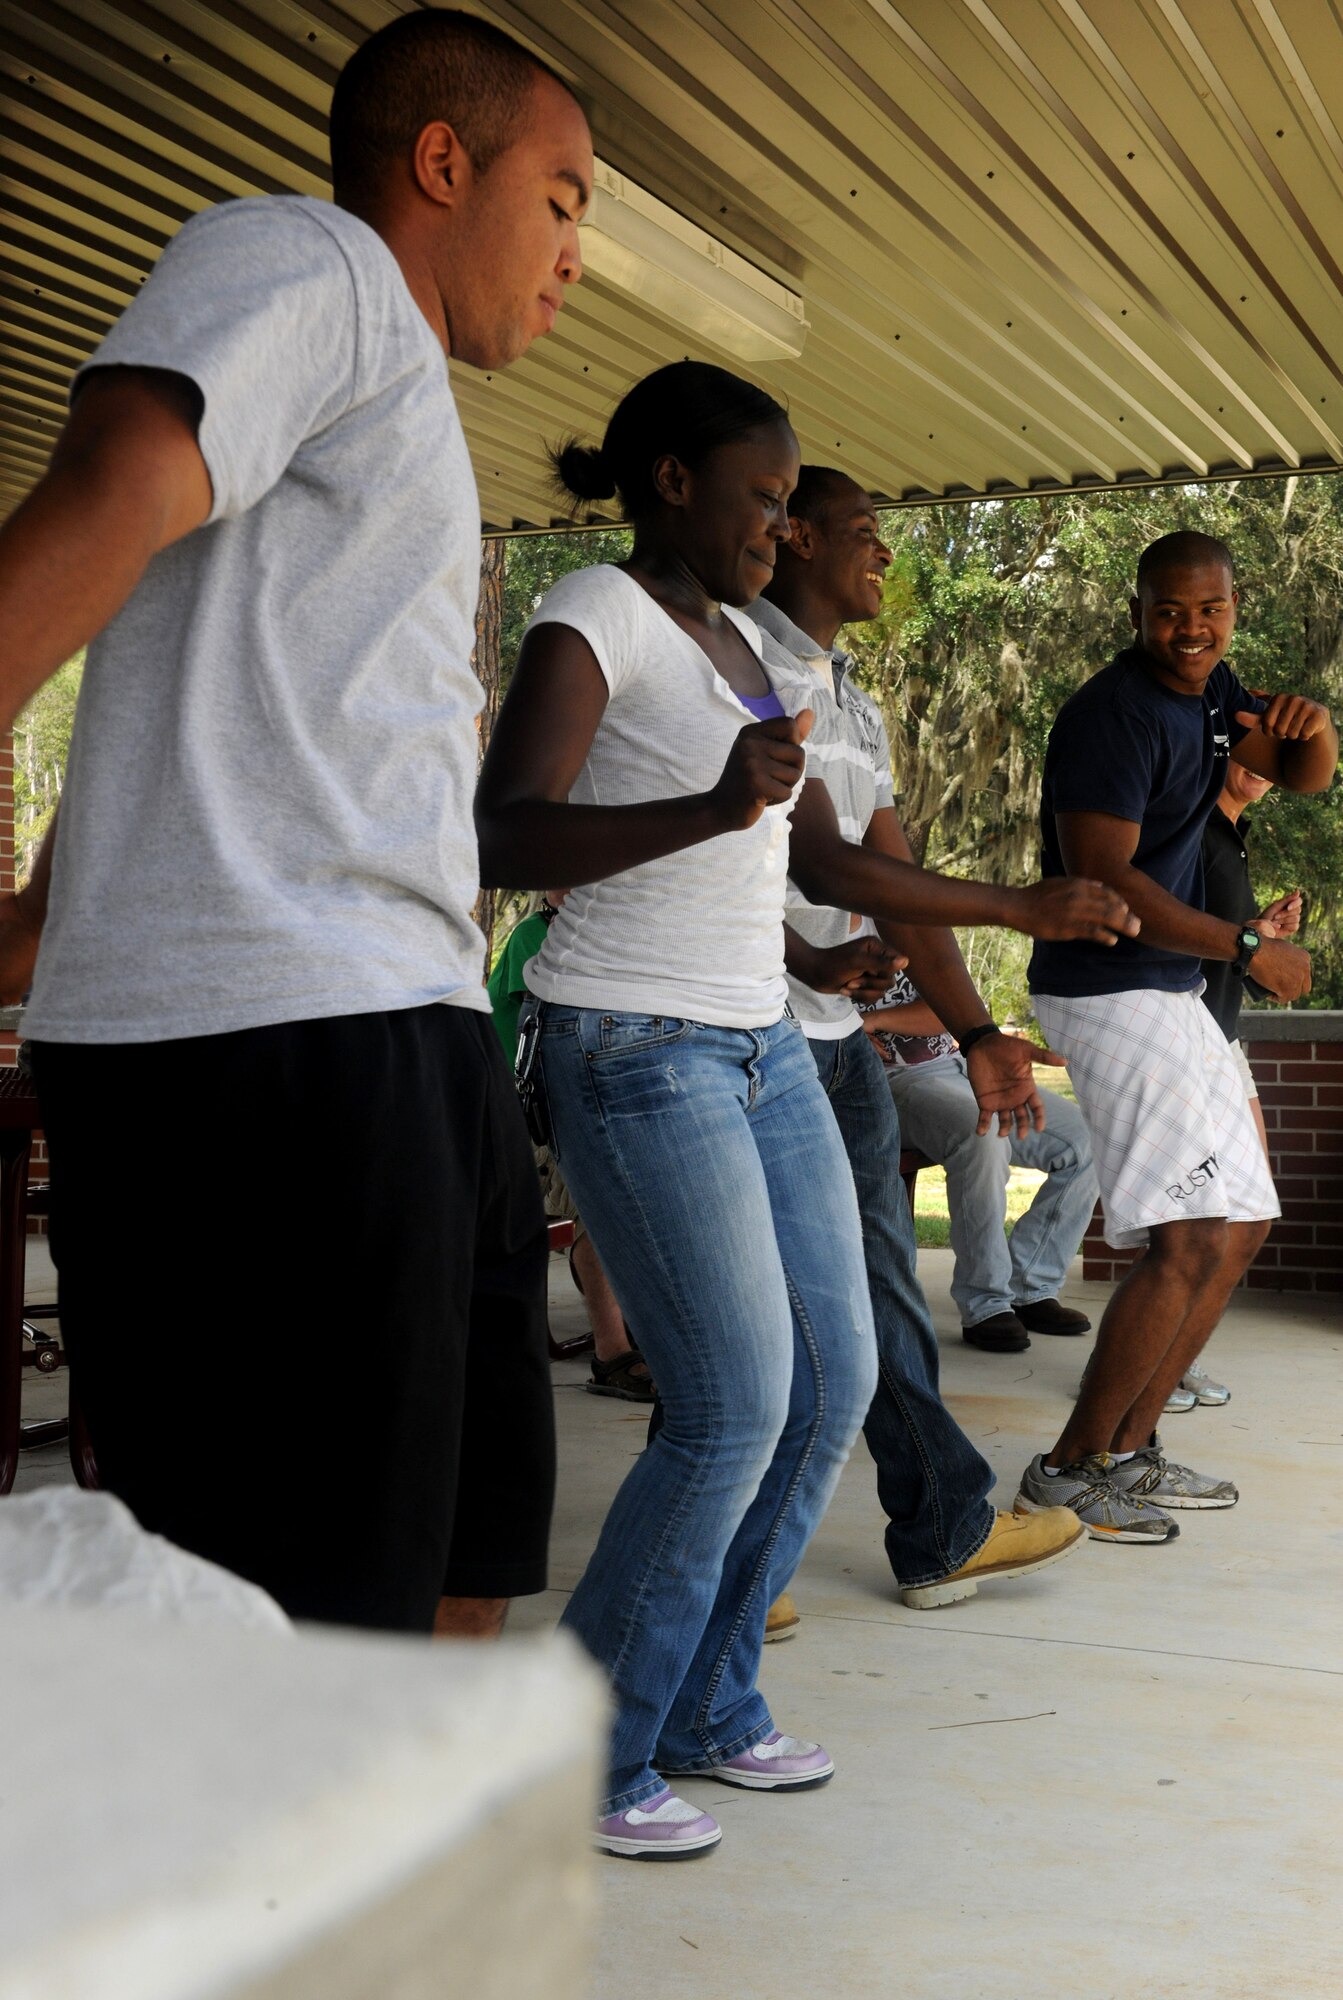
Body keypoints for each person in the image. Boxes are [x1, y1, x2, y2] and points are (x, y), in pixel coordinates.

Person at [475, 362, 1134, 1857]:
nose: (777, 527)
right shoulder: (598, 609)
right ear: (669, 484)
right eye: (761, 498)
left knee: (834, 1383)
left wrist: (1010, 904)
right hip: (635, 1045)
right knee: (729, 1407)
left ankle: (705, 1703)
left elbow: (825, 862)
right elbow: (506, 827)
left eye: (787, 503)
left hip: (763, 1046)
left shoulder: (749, 654)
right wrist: (709, 809)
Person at [0, 10, 595, 1633]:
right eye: (560, 199)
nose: (571, 257)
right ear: (439, 160)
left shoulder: (386, 385)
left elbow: (218, 708)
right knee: (296, 1640)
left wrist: (34, 926)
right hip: (271, 1048)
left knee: (459, 1573)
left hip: (406, 1031)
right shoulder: (313, 262)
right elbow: (116, 487)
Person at [747, 466, 1091, 1612]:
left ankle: (933, 1524)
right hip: (737, 1033)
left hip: (833, 1035)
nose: (880, 552)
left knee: (873, 1281)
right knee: (761, 1304)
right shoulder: (731, 658)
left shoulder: (849, 695)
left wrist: (980, 1028)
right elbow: (816, 867)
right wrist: (1015, 906)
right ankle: (734, 1562)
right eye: (861, 533)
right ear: (791, 534)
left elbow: (889, 886)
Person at [1017, 531, 1336, 1542]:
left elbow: (1303, 776)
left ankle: (1127, 1449)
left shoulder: (1207, 691)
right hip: (1109, 985)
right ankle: (1065, 1468)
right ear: (1135, 610)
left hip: (1166, 987)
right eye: (1167, 610)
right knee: (1190, 1235)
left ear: (1230, 605)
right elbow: (1107, 883)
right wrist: (1244, 946)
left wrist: (1313, 724)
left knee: (1237, 1227)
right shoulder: (1112, 716)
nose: (1189, 628)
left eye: (1207, 609)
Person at [860, 959, 1099, 1354]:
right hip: (887, 1082)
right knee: (983, 1134)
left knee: (1084, 1140)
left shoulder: (915, 922)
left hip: (958, 1064)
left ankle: (1030, 1286)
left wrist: (870, 1022)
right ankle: (986, 1303)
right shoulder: (823, 920)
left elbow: (948, 1011)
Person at [487, 892, 654, 1402]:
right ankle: (611, 1354)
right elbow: (547, 1039)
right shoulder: (538, 935)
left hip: (592, 1097)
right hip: (528, 1111)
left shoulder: (616, 934)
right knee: (595, 1202)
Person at [1172, 764, 1302, 1408]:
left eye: (1274, 763)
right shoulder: (1190, 829)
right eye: (1248, 752)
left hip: (1224, 1036)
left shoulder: (1230, 833)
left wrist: (1260, 934)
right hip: (1186, 1033)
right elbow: (1172, 931)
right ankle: (1140, 1367)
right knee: (1198, 1220)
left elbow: (1225, 941)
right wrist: (1252, 938)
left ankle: (1173, 1359)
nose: (1260, 769)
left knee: (1249, 1212)